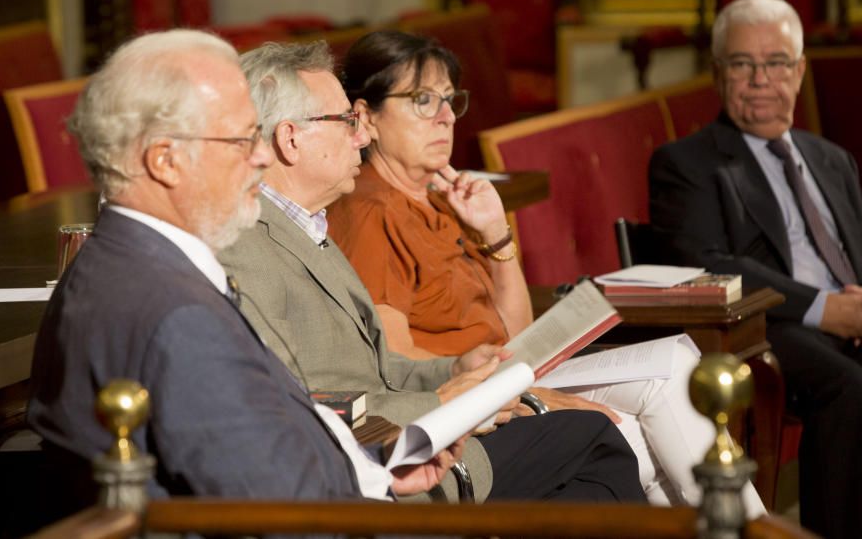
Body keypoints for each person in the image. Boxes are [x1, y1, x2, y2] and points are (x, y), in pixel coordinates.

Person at [326, 30, 765, 513]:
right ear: (366, 115)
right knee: (655, 411)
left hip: (511, 374)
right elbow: (395, 362)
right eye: (423, 100)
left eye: (451, 101)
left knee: (679, 369)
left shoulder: (440, 197)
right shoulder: (370, 210)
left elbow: (514, 332)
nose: (447, 117)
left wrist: (496, 234)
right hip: (473, 400)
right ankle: (742, 525)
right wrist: (531, 397)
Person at [27, 29, 462, 512]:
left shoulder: (127, 262)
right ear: (165, 161)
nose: (261, 156)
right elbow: (280, 509)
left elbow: (264, 451)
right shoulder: (177, 313)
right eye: (240, 138)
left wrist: (371, 467)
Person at [219, 40, 648, 504]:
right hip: (379, 464)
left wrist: (457, 369)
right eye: (347, 122)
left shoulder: (307, 222)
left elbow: (381, 368)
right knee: (593, 439)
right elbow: (298, 406)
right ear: (290, 139)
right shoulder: (246, 246)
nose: (360, 137)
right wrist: (444, 401)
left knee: (585, 468)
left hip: (409, 432)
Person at [648, 0, 862, 539]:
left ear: (799, 72)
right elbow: (706, 262)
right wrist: (825, 310)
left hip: (858, 327)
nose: (760, 80)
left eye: (776, 64)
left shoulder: (829, 158)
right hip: (768, 330)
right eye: (743, 64)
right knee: (850, 390)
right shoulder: (688, 163)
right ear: (719, 73)